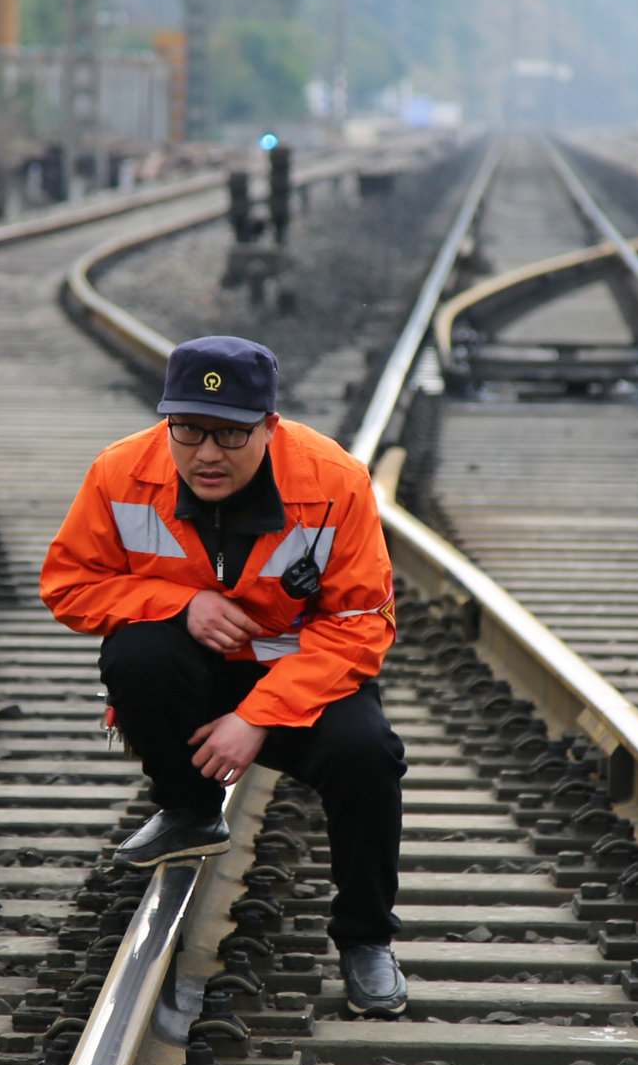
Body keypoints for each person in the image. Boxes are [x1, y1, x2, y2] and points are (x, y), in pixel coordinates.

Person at [39, 335, 410, 1017]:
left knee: (368, 756)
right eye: (188, 430)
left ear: (270, 427)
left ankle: (367, 940)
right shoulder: (120, 473)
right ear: (166, 421)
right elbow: (68, 585)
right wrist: (180, 603)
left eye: (231, 434)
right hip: (194, 673)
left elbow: (362, 623)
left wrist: (257, 718)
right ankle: (187, 808)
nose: (207, 453)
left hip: (302, 676)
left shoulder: (335, 481)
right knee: (137, 657)